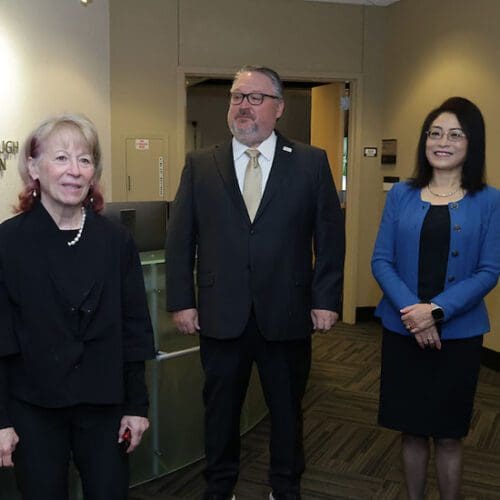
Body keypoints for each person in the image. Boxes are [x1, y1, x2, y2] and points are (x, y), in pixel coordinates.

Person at [166, 65, 345, 500]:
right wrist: (181, 301)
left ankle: (284, 487)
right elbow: (180, 239)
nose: (243, 106)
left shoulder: (310, 162)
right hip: (220, 314)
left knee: (287, 412)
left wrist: (327, 299)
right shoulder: (200, 164)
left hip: (287, 312)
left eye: (255, 97)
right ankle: (219, 486)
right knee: (220, 412)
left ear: (279, 108)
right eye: (236, 97)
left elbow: (330, 236)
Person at [0, 114, 156, 499]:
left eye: (84, 160)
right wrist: (1, 419)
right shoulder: (8, 241)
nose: (74, 171)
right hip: (33, 407)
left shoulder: (116, 241)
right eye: (61, 158)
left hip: (105, 405)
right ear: (33, 168)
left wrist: (137, 406)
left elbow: (134, 328)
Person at [372, 97, 500, 500]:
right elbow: (381, 260)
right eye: (435, 133)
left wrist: (437, 311)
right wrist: (415, 315)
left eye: (455, 134)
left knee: (448, 436)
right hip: (402, 330)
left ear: (471, 143)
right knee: (411, 431)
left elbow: (489, 270)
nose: (442, 142)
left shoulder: (490, 200)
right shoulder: (401, 195)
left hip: (458, 336)